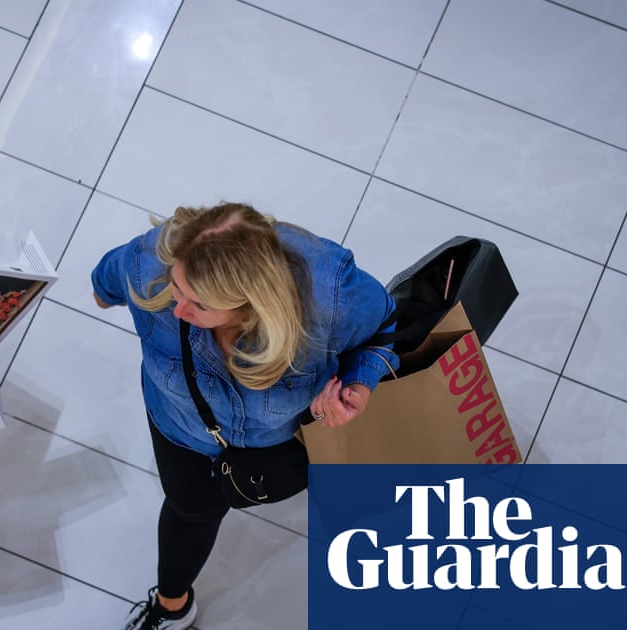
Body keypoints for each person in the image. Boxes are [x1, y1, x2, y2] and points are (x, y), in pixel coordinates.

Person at [91, 203, 398, 629]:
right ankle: (171, 607)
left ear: (250, 305)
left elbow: (383, 329)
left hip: (280, 440)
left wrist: (358, 387)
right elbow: (102, 287)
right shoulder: (149, 260)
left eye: (199, 304)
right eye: (178, 286)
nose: (177, 311)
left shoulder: (330, 294)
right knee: (190, 512)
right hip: (181, 429)